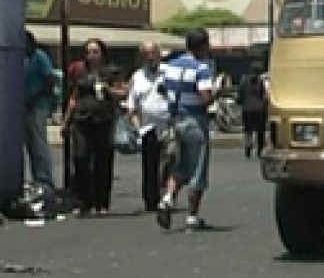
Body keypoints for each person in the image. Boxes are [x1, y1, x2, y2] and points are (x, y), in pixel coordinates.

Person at [157, 29, 221, 230]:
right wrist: (217, 92)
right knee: (197, 169)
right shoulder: (201, 69)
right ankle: (192, 216)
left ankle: (167, 199)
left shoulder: (170, 67)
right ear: (203, 46)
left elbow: (161, 88)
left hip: (175, 120)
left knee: (179, 166)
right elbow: (204, 98)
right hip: (195, 120)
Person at [61, 38, 126, 216]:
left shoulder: (112, 71)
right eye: (88, 52)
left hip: (103, 120)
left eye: (95, 51)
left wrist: (108, 89)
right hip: (82, 120)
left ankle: (101, 202)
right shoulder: (81, 71)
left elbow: (122, 93)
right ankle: (84, 200)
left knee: (102, 162)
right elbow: (74, 96)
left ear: (102, 53)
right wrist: (66, 120)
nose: (91, 55)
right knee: (80, 157)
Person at [125, 41, 171, 212]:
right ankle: (151, 201)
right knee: (149, 166)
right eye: (146, 54)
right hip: (147, 128)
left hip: (168, 126)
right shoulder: (137, 77)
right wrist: (136, 125)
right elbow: (132, 104)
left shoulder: (169, 73)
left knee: (169, 163)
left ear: (159, 54)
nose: (150, 57)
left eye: (153, 53)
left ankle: (167, 196)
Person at [23, 31, 57, 189]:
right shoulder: (21, 60)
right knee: (27, 145)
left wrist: (33, 96)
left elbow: (49, 80)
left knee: (38, 143)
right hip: (22, 106)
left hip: (38, 105)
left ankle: (44, 180)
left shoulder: (39, 57)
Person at [236, 60, 270, 159]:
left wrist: (242, 101)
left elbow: (240, 95)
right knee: (260, 131)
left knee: (248, 130)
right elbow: (265, 96)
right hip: (260, 109)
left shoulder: (244, 80)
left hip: (247, 109)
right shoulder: (262, 81)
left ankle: (248, 148)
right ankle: (260, 150)